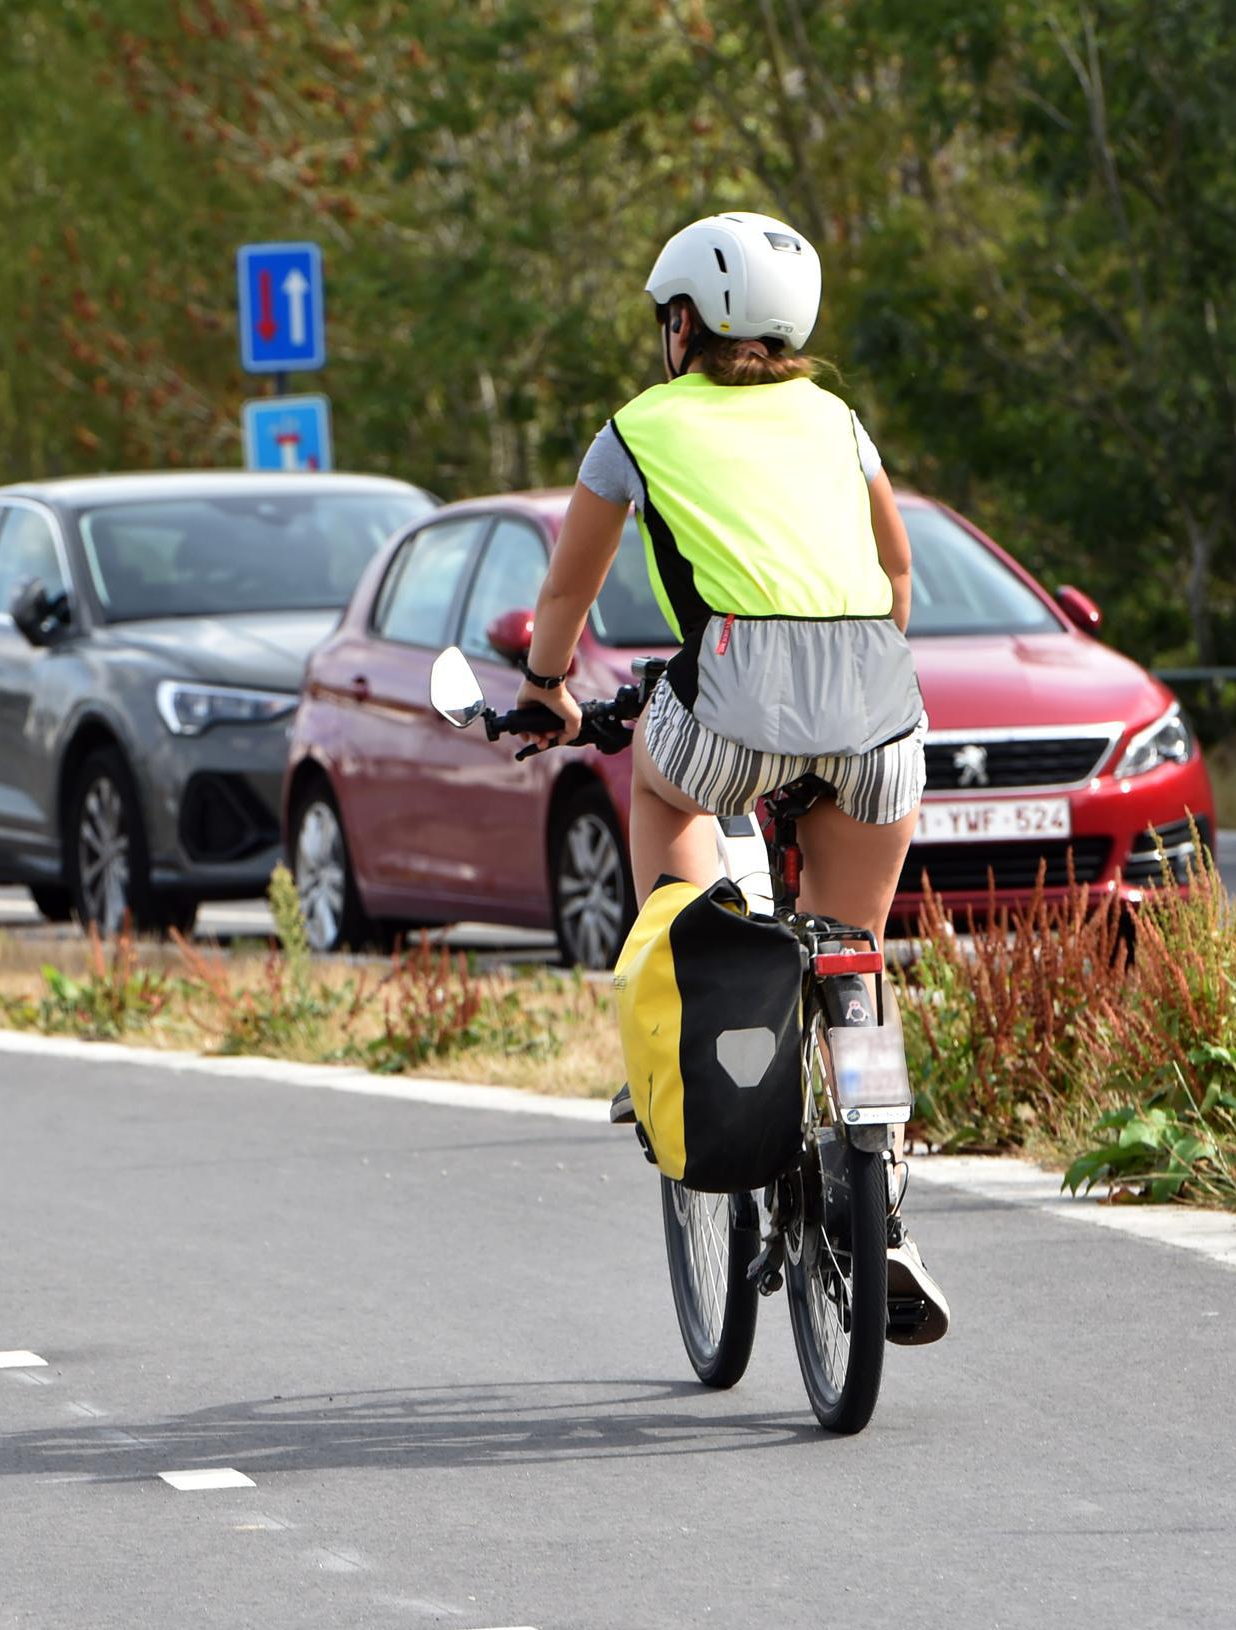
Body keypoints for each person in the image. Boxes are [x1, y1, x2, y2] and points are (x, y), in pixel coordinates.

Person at [512, 210, 949, 1344]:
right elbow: (899, 575)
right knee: (851, 951)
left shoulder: (637, 429)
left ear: (684, 325)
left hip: (732, 695)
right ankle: (881, 1207)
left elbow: (563, 599)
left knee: (662, 789)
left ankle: (689, 986)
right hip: (878, 708)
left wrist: (548, 689)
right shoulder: (839, 419)